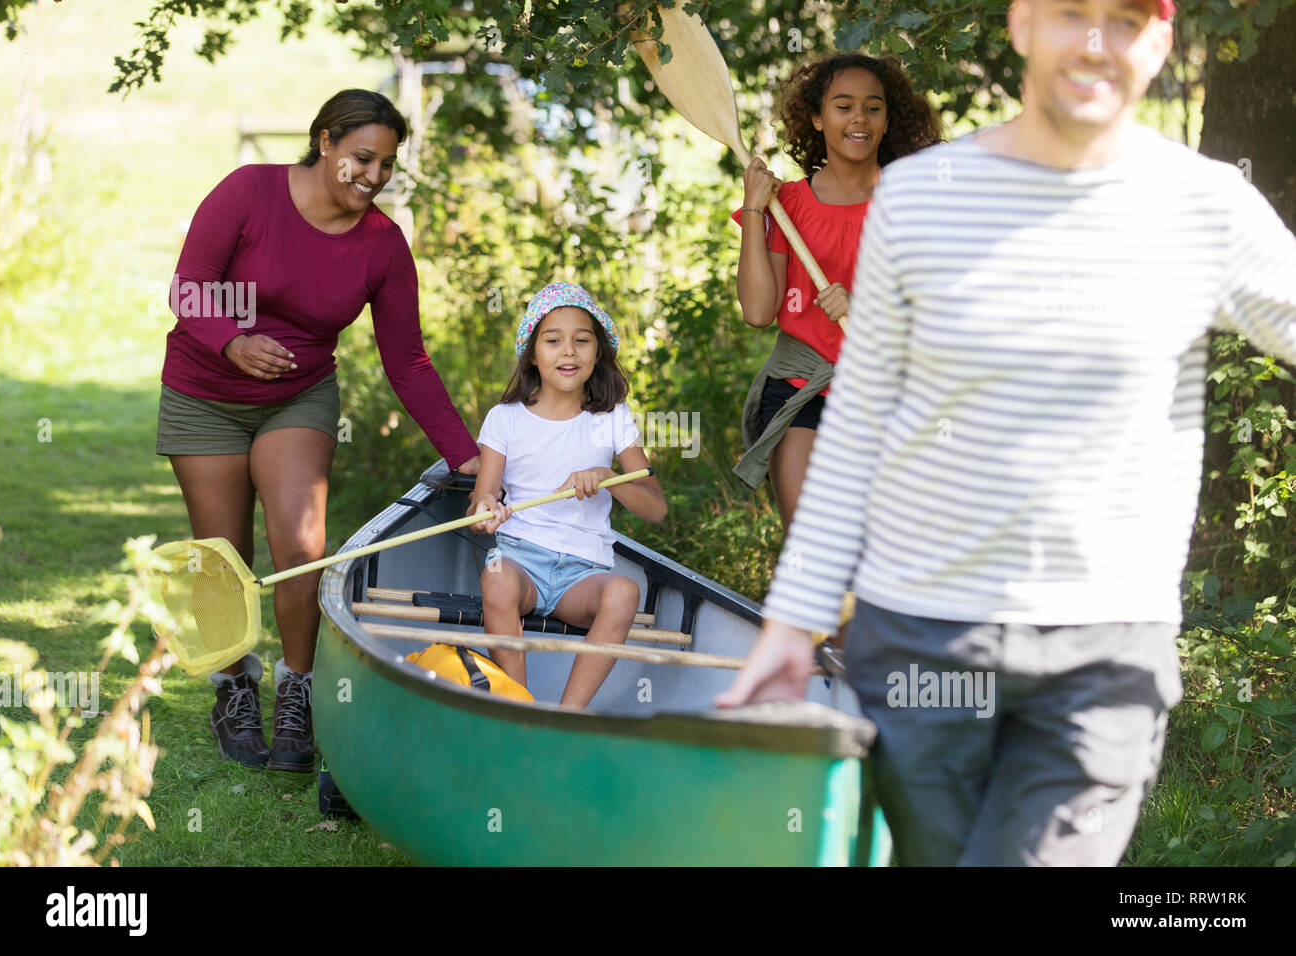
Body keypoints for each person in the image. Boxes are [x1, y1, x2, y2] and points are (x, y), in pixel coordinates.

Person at [718, 0, 1296, 866]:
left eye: (1128, 18)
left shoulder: (1204, 204)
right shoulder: (917, 197)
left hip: (1101, 646)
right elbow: (860, 417)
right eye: (1072, 14)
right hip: (921, 634)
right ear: (1024, 23)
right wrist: (793, 622)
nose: (1096, 42)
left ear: (1164, 40)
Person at [157, 89, 481, 772]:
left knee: (300, 543)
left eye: (388, 165)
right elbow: (189, 287)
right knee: (222, 553)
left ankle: (297, 695)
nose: (374, 176)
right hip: (205, 390)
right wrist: (233, 343)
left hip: (297, 398)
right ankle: (234, 689)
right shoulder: (250, 193)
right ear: (326, 141)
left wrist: (467, 456)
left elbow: (409, 361)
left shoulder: (382, 244)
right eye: (364, 158)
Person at [732, 54, 942, 527]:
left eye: (873, 107)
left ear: (888, 120)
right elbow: (760, 311)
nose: (859, 119)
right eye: (843, 106)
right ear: (816, 117)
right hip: (801, 389)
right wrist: (753, 211)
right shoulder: (787, 205)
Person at [469, 282, 667, 709]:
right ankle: (517, 709)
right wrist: (486, 510)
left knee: (625, 592)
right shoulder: (505, 419)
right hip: (521, 559)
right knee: (497, 578)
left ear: (597, 354)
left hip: (584, 574)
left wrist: (609, 475)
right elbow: (483, 499)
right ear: (533, 353)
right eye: (554, 340)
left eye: (582, 340)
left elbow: (655, 507)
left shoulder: (612, 420)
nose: (569, 352)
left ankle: (566, 716)